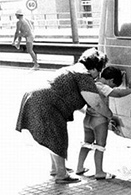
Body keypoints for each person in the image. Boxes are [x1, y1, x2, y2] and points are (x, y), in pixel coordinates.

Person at [16, 48, 112, 184]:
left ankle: (56, 168)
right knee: (58, 136)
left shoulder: (73, 69)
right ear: (95, 68)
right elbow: (96, 103)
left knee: (52, 136)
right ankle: (61, 175)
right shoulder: (84, 75)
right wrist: (110, 115)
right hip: (46, 102)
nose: (97, 76)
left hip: (35, 97)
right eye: (99, 70)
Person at [76, 66, 131, 180]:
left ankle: (79, 167)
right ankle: (99, 172)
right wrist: (129, 90)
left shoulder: (92, 84)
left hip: (87, 118)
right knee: (100, 146)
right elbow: (116, 94)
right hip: (99, 120)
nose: (112, 87)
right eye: (113, 85)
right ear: (111, 80)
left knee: (87, 143)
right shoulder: (102, 87)